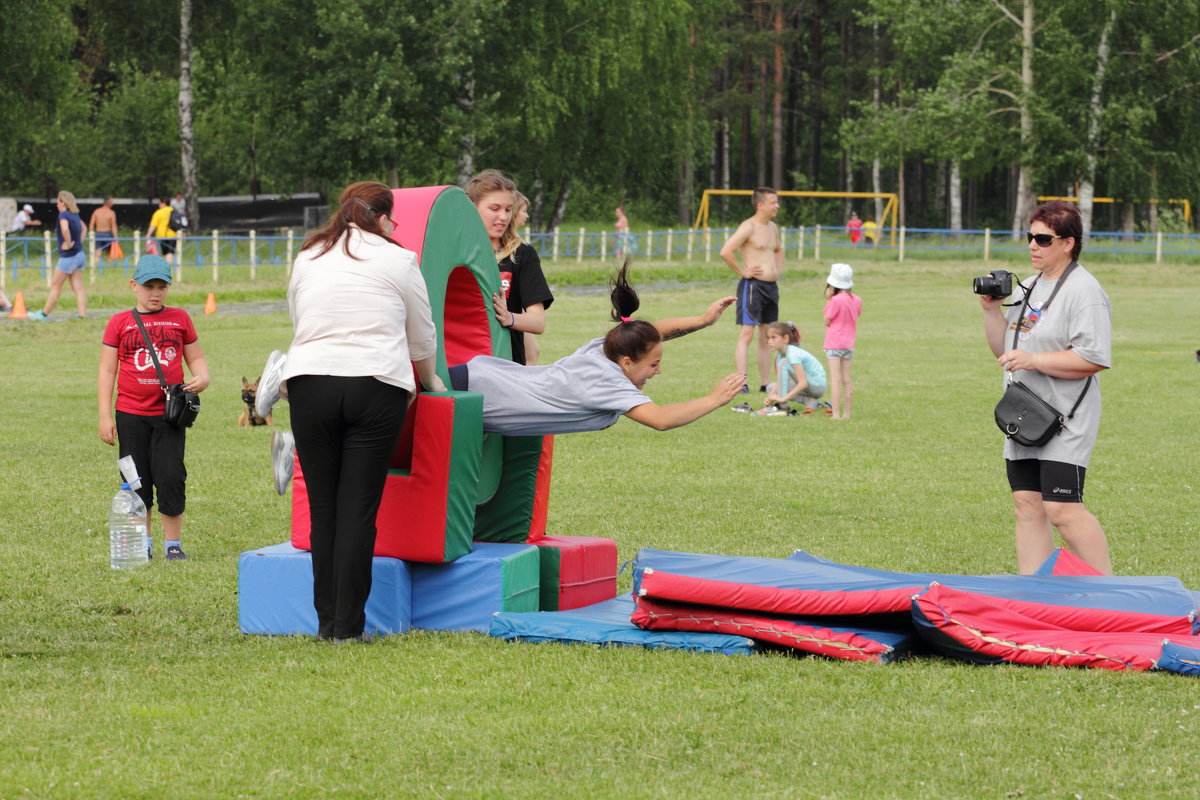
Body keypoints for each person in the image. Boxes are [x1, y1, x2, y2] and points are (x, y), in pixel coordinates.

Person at [270, 181, 442, 643]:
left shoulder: (308, 256)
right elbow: (422, 336)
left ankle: (326, 623)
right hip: (374, 385)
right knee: (358, 511)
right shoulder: (399, 258)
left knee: (324, 510)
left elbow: (299, 317)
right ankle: (349, 627)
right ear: (384, 219)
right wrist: (431, 381)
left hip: (309, 383)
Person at [447, 262, 745, 435]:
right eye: (653, 365)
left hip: (474, 378)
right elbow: (661, 420)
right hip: (468, 396)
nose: (658, 371)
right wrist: (714, 399)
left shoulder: (604, 349)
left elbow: (652, 334)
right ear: (627, 363)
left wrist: (703, 320)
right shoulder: (609, 381)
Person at [980, 200, 1112, 575]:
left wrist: (1035, 361)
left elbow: (1095, 357)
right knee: (1027, 504)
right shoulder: (1029, 287)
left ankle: (1111, 594)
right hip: (1025, 411)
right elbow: (1005, 351)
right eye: (1029, 237)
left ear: (1068, 243)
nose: (1032, 246)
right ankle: (1034, 594)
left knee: (1063, 510)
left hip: (1066, 415)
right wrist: (992, 311)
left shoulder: (1085, 291)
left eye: (1043, 239)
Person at [98, 254, 210, 562]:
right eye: (149, 286)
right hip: (130, 414)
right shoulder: (119, 322)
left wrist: (203, 377)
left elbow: (196, 358)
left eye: (162, 286)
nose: (155, 293)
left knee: (171, 475)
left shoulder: (180, 318)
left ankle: (172, 545)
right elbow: (107, 371)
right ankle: (142, 543)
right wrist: (105, 415)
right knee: (136, 481)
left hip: (169, 415)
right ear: (134, 286)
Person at [466, 169, 553, 366]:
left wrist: (509, 318)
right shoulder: (455, 253)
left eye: (507, 209)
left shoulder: (522, 255)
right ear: (472, 208)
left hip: (507, 368)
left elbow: (538, 323)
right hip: (462, 364)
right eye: (495, 208)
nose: (503, 217)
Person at [720, 187, 783, 394]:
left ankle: (765, 384)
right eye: (773, 202)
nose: (777, 206)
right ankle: (742, 381)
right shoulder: (748, 227)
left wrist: (777, 271)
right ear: (760, 205)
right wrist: (743, 271)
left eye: (777, 202)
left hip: (771, 288)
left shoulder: (772, 227)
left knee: (767, 336)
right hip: (753, 288)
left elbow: (778, 250)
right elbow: (726, 251)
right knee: (747, 334)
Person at [28, 191, 88, 321]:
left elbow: (65, 229)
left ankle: (43, 315)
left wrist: (68, 243)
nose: (57, 203)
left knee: (55, 286)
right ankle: (82, 315)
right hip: (80, 255)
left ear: (64, 202)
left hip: (69, 256)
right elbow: (84, 228)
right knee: (78, 287)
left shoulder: (63, 215)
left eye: (59, 201)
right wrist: (78, 242)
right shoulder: (75, 215)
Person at [752, 321, 827, 416]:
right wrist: (770, 397)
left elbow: (802, 383)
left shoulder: (792, 354)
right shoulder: (780, 356)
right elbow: (780, 383)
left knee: (783, 364)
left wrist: (783, 398)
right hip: (808, 386)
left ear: (785, 338)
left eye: (774, 337)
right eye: (768, 338)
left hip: (817, 386)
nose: (770, 342)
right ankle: (811, 402)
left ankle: (783, 406)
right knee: (770, 388)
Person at [823, 262, 861, 421]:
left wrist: (828, 300)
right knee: (846, 379)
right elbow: (856, 315)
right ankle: (847, 413)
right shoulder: (857, 299)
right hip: (848, 343)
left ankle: (836, 414)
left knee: (835, 380)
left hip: (833, 343)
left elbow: (827, 320)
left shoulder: (835, 301)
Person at [145, 198, 178, 265]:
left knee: (164, 253)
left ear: (163, 203)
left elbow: (153, 225)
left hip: (162, 236)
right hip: (173, 235)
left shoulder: (158, 212)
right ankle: (169, 265)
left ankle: (166, 265)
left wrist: (148, 235)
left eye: (160, 203)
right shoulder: (174, 211)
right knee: (170, 252)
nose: (159, 205)